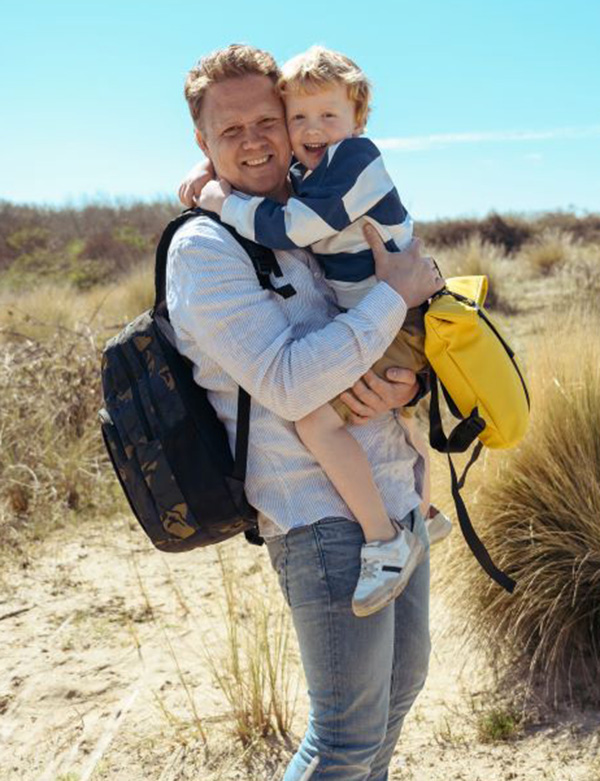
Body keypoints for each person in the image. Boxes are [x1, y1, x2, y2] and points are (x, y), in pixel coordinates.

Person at [169, 43, 443, 780]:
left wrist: (402, 384)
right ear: (203, 141)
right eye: (232, 132)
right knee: (345, 740)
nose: (258, 140)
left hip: (394, 497)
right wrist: (397, 295)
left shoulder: (301, 209)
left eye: (270, 121)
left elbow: (367, 328)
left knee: (392, 707)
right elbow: (290, 384)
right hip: (322, 522)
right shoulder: (205, 249)